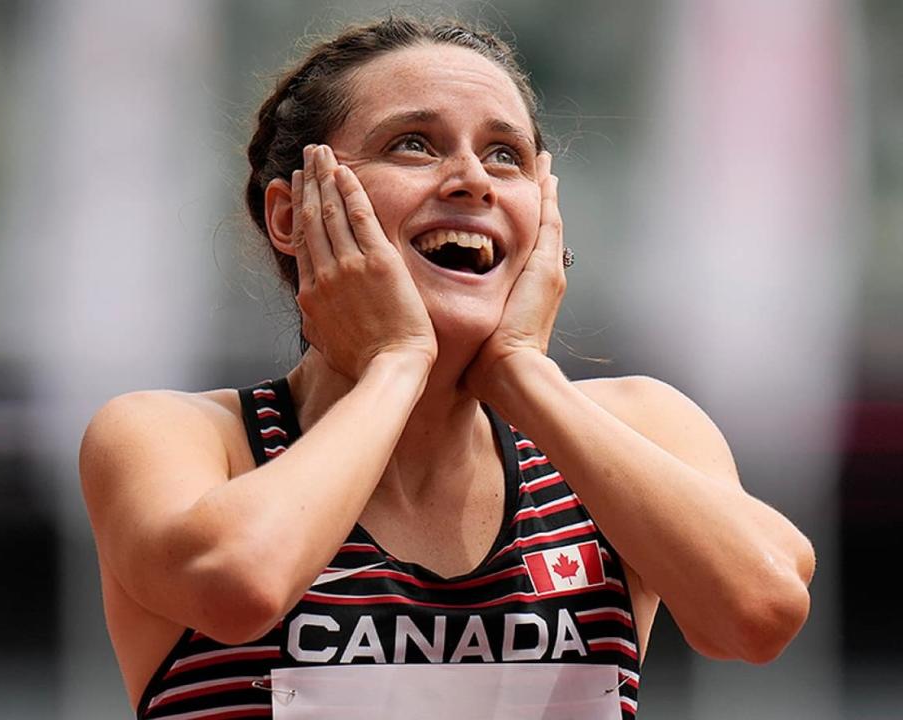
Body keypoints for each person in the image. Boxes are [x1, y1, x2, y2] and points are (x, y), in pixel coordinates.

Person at [79, 15, 816, 720]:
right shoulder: (180, 437)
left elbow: (761, 614)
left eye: (507, 155)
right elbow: (239, 586)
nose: (474, 180)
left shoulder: (636, 424)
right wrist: (395, 366)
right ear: (291, 214)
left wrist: (522, 375)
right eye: (413, 145)